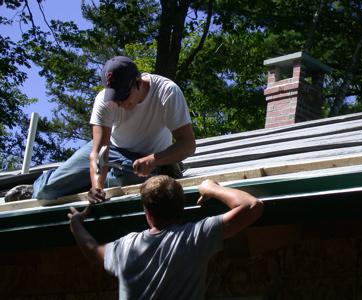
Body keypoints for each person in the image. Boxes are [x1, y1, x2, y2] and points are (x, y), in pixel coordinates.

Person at [5, 56, 196, 203]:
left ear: (138, 81)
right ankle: (41, 185)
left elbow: (188, 144)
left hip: (150, 156)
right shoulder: (104, 101)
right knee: (46, 192)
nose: (120, 103)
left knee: (133, 181)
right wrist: (97, 186)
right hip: (112, 150)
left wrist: (155, 160)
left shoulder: (167, 92)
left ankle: (155, 170)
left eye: (124, 96)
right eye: (115, 97)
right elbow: (99, 152)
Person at [68, 175, 264, 300]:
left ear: (147, 213)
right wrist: (211, 188)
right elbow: (252, 206)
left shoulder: (125, 248)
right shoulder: (193, 238)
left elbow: (92, 251)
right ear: (181, 209)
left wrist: (75, 224)